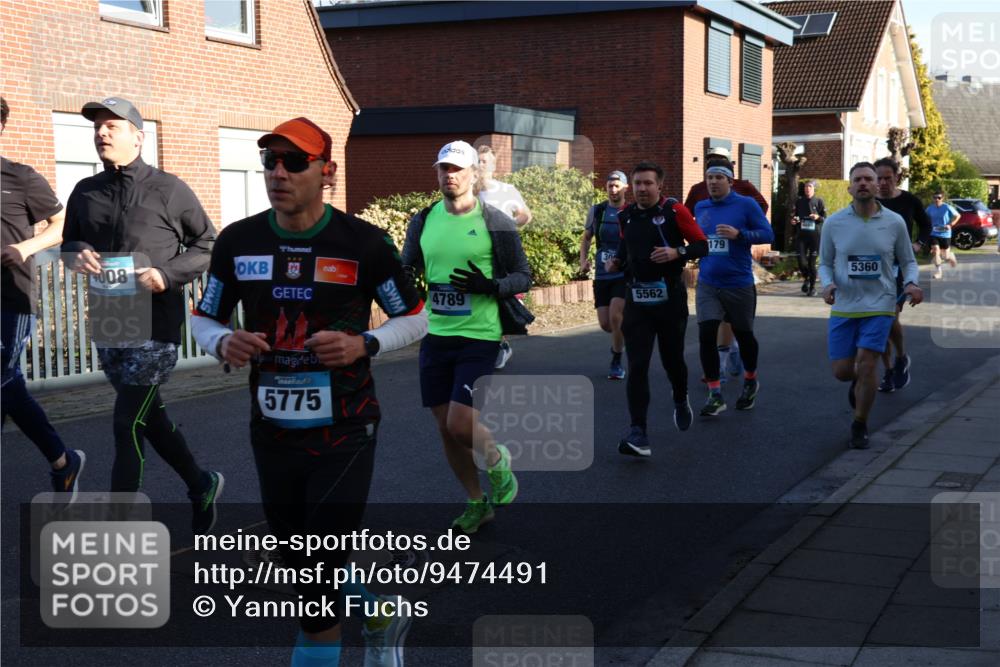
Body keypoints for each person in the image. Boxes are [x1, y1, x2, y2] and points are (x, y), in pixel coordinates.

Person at [192, 117, 426, 667]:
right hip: (271, 426)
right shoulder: (239, 240)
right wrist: (223, 341)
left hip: (346, 425)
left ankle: (326, 643)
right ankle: (378, 613)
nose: (278, 173)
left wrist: (363, 344)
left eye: (293, 162)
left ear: (327, 172)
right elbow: (206, 319)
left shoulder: (362, 243)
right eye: (270, 161)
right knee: (300, 558)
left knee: (316, 574)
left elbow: (415, 319)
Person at [61, 96, 221, 532]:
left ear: (138, 136)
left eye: (113, 125)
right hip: (112, 319)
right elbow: (69, 243)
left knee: (125, 422)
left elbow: (207, 245)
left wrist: (165, 275)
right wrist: (75, 255)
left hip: (155, 322)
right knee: (149, 418)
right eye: (97, 126)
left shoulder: (169, 189)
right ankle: (200, 483)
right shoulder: (85, 191)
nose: (102, 132)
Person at [403, 140, 530, 534]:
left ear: (475, 173)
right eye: (443, 168)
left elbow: (523, 276)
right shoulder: (423, 220)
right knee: (445, 428)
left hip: (480, 336)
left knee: (461, 423)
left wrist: (489, 285)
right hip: (436, 335)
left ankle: (497, 459)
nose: (449, 175)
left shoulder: (496, 222)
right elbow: (407, 268)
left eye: (457, 169)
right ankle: (477, 502)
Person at [1, 96, 85, 498]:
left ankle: (63, 460)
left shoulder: (20, 178)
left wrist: (24, 248)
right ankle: (63, 461)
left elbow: (61, 224)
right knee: (6, 381)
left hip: (10, 297)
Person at [606, 162, 707, 456]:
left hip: (670, 298)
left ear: (659, 186)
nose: (641, 189)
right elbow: (627, 251)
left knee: (672, 360)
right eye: (637, 183)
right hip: (637, 298)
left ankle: (680, 395)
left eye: (648, 183)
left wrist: (678, 252)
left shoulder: (675, 212)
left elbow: (703, 245)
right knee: (637, 365)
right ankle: (639, 433)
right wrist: (617, 262)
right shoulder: (626, 216)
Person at [819, 162, 922, 449]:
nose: (863, 183)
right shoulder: (834, 223)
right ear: (849, 187)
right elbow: (825, 263)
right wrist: (827, 284)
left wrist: (911, 283)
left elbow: (908, 261)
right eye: (858, 179)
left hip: (881, 304)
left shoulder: (894, 222)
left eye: (868, 179)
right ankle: (862, 381)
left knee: (866, 364)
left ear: (878, 186)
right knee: (842, 371)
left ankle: (860, 423)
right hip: (844, 306)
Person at [693, 164, 774, 417]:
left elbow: (767, 233)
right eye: (709, 178)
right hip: (708, 283)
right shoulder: (701, 207)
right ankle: (715, 394)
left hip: (738, 283)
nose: (713, 182)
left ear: (730, 181)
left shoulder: (746, 204)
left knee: (745, 334)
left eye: (718, 178)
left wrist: (740, 235)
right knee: (707, 333)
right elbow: (698, 238)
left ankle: (750, 379)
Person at [874, 157, 930, 393]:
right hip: (874, 268)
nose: (883, 182)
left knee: (889, 316)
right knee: (879, 320)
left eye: (888, 177)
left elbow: (927, 225)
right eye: (879, 178)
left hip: (899, 268)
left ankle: (901, 357)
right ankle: (888, 370)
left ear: (897, 177)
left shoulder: (909, 201)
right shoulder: (869, 201)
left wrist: (918, 244)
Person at [477, 145, 532, 370]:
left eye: (484, 162)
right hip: (478, 253)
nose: (480, 166)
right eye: (477, 161)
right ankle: (494, 343)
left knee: (500, 297)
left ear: (493, 165)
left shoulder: (506, 190)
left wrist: (510, 225)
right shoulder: (470, 192)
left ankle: (501, 343)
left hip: (503, 255)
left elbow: (525, 214)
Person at [579, 170, 629, 379]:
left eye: (617, 186)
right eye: (610, 186)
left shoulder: (631, 211)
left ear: (625, 188)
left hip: (623, 273)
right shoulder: (598, 210)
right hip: (601, 274)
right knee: (606, 324)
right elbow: (587, 237)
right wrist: (583, 260)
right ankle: (618, 341)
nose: (613, 189)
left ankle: (616, 360)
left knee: (616, 317)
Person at [789, 180, 826, 296]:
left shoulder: (819, 201)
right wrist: (794, 220)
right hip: (801, 236)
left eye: (809, 187)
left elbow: (825, 218)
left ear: (814, 189)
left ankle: (813, 288)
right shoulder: (799, 202)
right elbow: (795, 216)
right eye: (805, 187)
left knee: (811, 263)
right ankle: (807, 278)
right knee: (801, 262)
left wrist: (817, 217)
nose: (807, 189)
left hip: (815, 236)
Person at [925, 190, 961, 280]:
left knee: (945, 256)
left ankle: (951, 256)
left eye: (939, 198)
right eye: (935, 197)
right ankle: (938, 272)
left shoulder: (947, 207)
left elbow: (958, 216)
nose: (937, 199)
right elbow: (924, 218)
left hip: (945, 233)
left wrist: (950, 224)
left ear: (942, 198)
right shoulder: (930, 208)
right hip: (933, 233)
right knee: (936, 251)